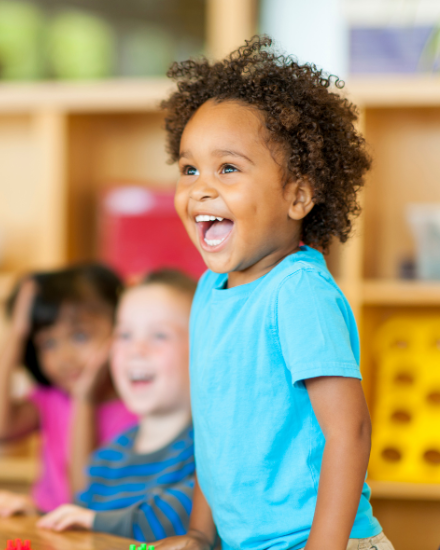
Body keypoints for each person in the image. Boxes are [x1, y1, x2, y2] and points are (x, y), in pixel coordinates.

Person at [154, 37, 393, 550]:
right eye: (189, 168)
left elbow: (349, 434)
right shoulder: (209, 291)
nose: (200, 188)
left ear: (298, 195)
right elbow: (216, 434)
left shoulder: (297, 291)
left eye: (228, 168)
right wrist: (199, 534)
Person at [37, 269, 196, 543]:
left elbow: (175, 516)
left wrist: (92, 521)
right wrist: (35, 513)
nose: (136, 349)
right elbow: (77, 516)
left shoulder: (210, 449)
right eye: (124, 335)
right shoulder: (107, 457)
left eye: (159, 335)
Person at [0, 264, 137, 515]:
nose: (64, 357)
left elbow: (84, 499)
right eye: (48, 343)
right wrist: (16, 333)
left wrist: (85, 400)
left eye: (80, 336)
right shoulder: (50, 400)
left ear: (122, 328)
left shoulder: (140, 408)